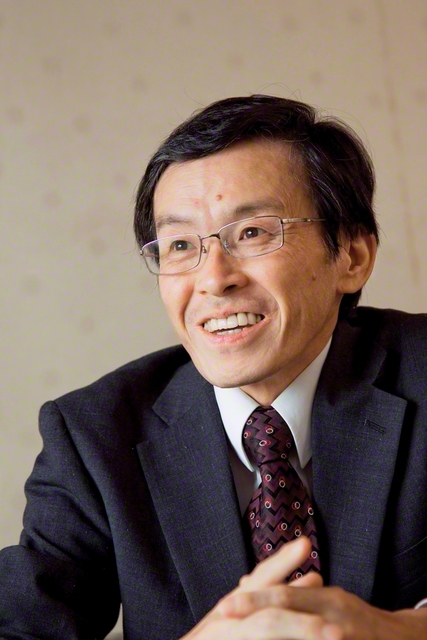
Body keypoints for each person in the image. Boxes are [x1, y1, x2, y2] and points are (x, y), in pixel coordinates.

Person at [1, 95, 426, 640]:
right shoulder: (93, 436)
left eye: (252, 232)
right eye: (180, 245)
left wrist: (399, 631)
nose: (213, 278)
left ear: (352, 256)